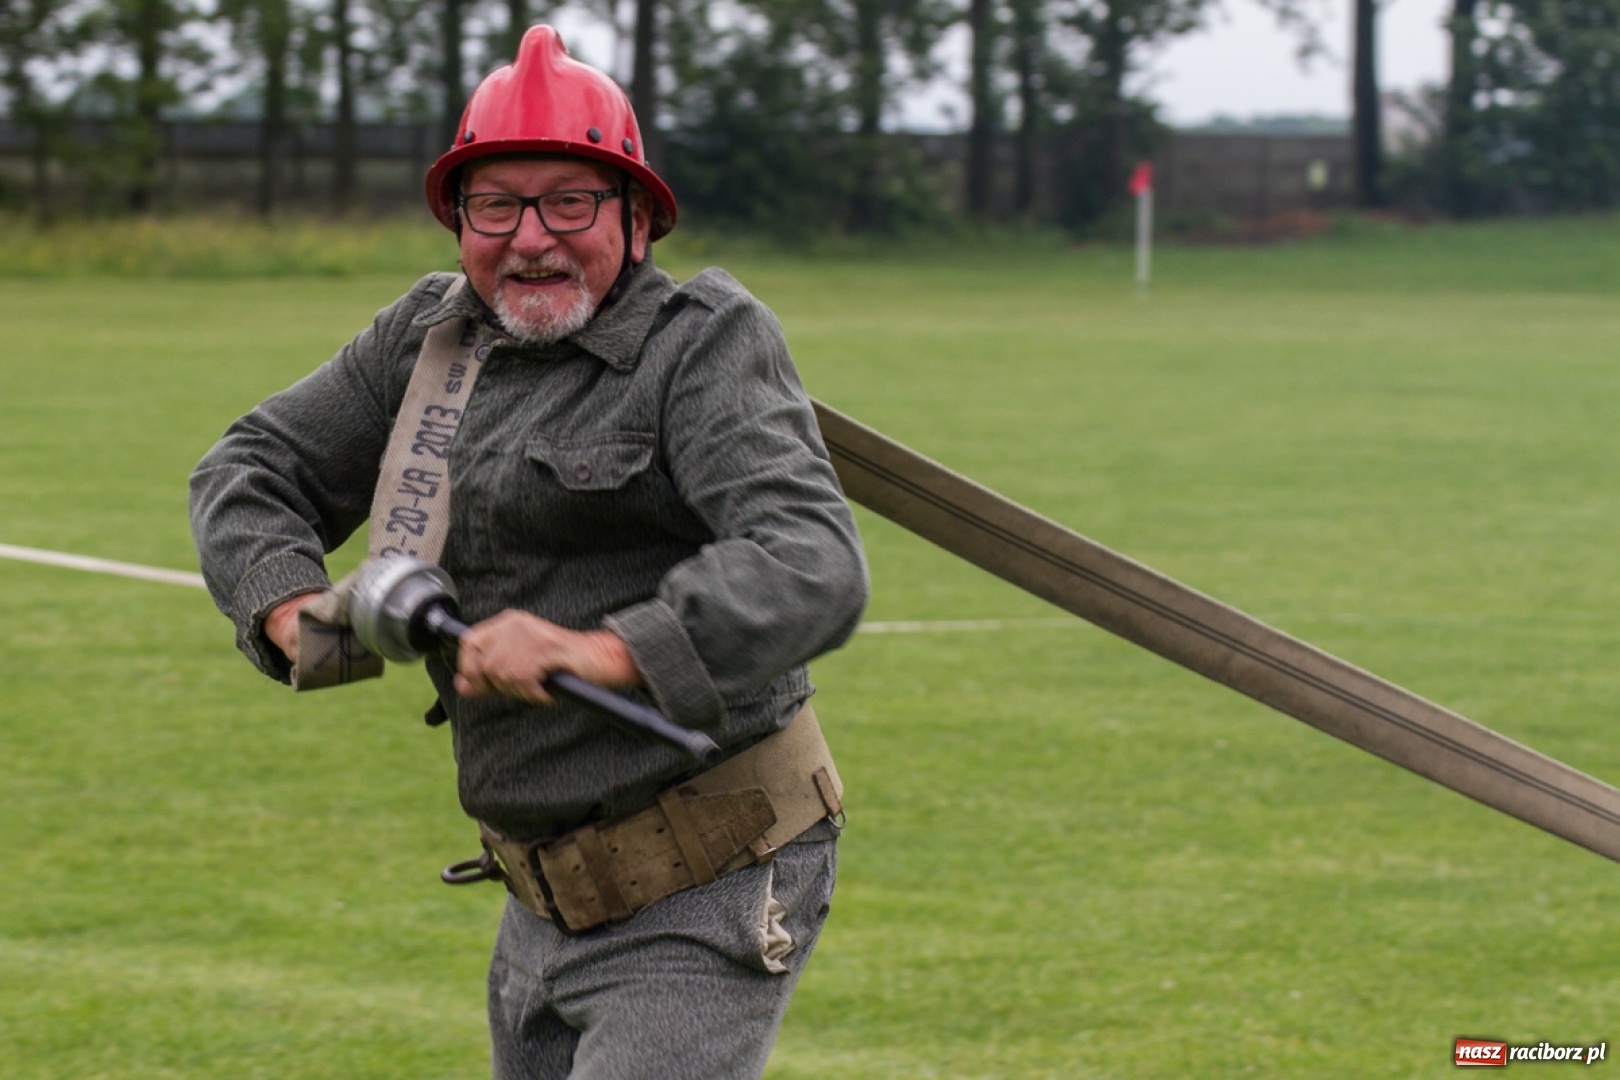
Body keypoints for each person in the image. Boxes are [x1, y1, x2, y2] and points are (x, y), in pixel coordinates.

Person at [189, 24, 867, 1079]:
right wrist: (293, 613)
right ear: (459, 220)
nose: (530, 239)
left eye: (570, 201)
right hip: (539, 895)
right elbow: (250, 467)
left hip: (713, 871)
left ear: (637, 217)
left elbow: (810, 561)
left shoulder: (703, 342)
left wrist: (599, 653)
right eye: (494, 205)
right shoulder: (429, 337)